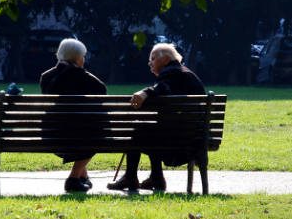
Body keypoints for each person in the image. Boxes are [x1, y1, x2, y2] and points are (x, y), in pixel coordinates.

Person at [107, 42, 206, 192]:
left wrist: (145, 92)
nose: (149, 63)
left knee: (137, 132)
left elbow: (163, 87)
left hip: (178, 139)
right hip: (195, 136)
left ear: (166, 59)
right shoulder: (185, 74)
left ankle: (132, 177)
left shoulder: (171, 72)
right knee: (152, 129)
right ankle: (156, 177)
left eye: (152, 59)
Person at [39, 38, 107, 193]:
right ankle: (74, 179)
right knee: (95, 131)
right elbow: (102, 92)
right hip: (82, 134)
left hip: (52, 134)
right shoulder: (87, 79)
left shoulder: (46, 77)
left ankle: (82, 177)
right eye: (83, 56)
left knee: (81, 129)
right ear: (77, 58)